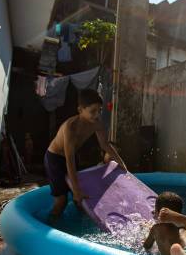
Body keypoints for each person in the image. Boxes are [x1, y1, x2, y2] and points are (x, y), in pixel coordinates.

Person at [44, 89, 128, 218]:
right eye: (92, 111)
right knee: (62, 201)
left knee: (82, 200)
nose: (97, 115)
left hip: (70, 157)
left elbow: (105, 145)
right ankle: (50, 224)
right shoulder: (71, 127)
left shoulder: (97, 124)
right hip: (55, 158)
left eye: (99, 110)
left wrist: (121, 163)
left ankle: (79, 226)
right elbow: (69, 160)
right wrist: (76, 191)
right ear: (80, 110)